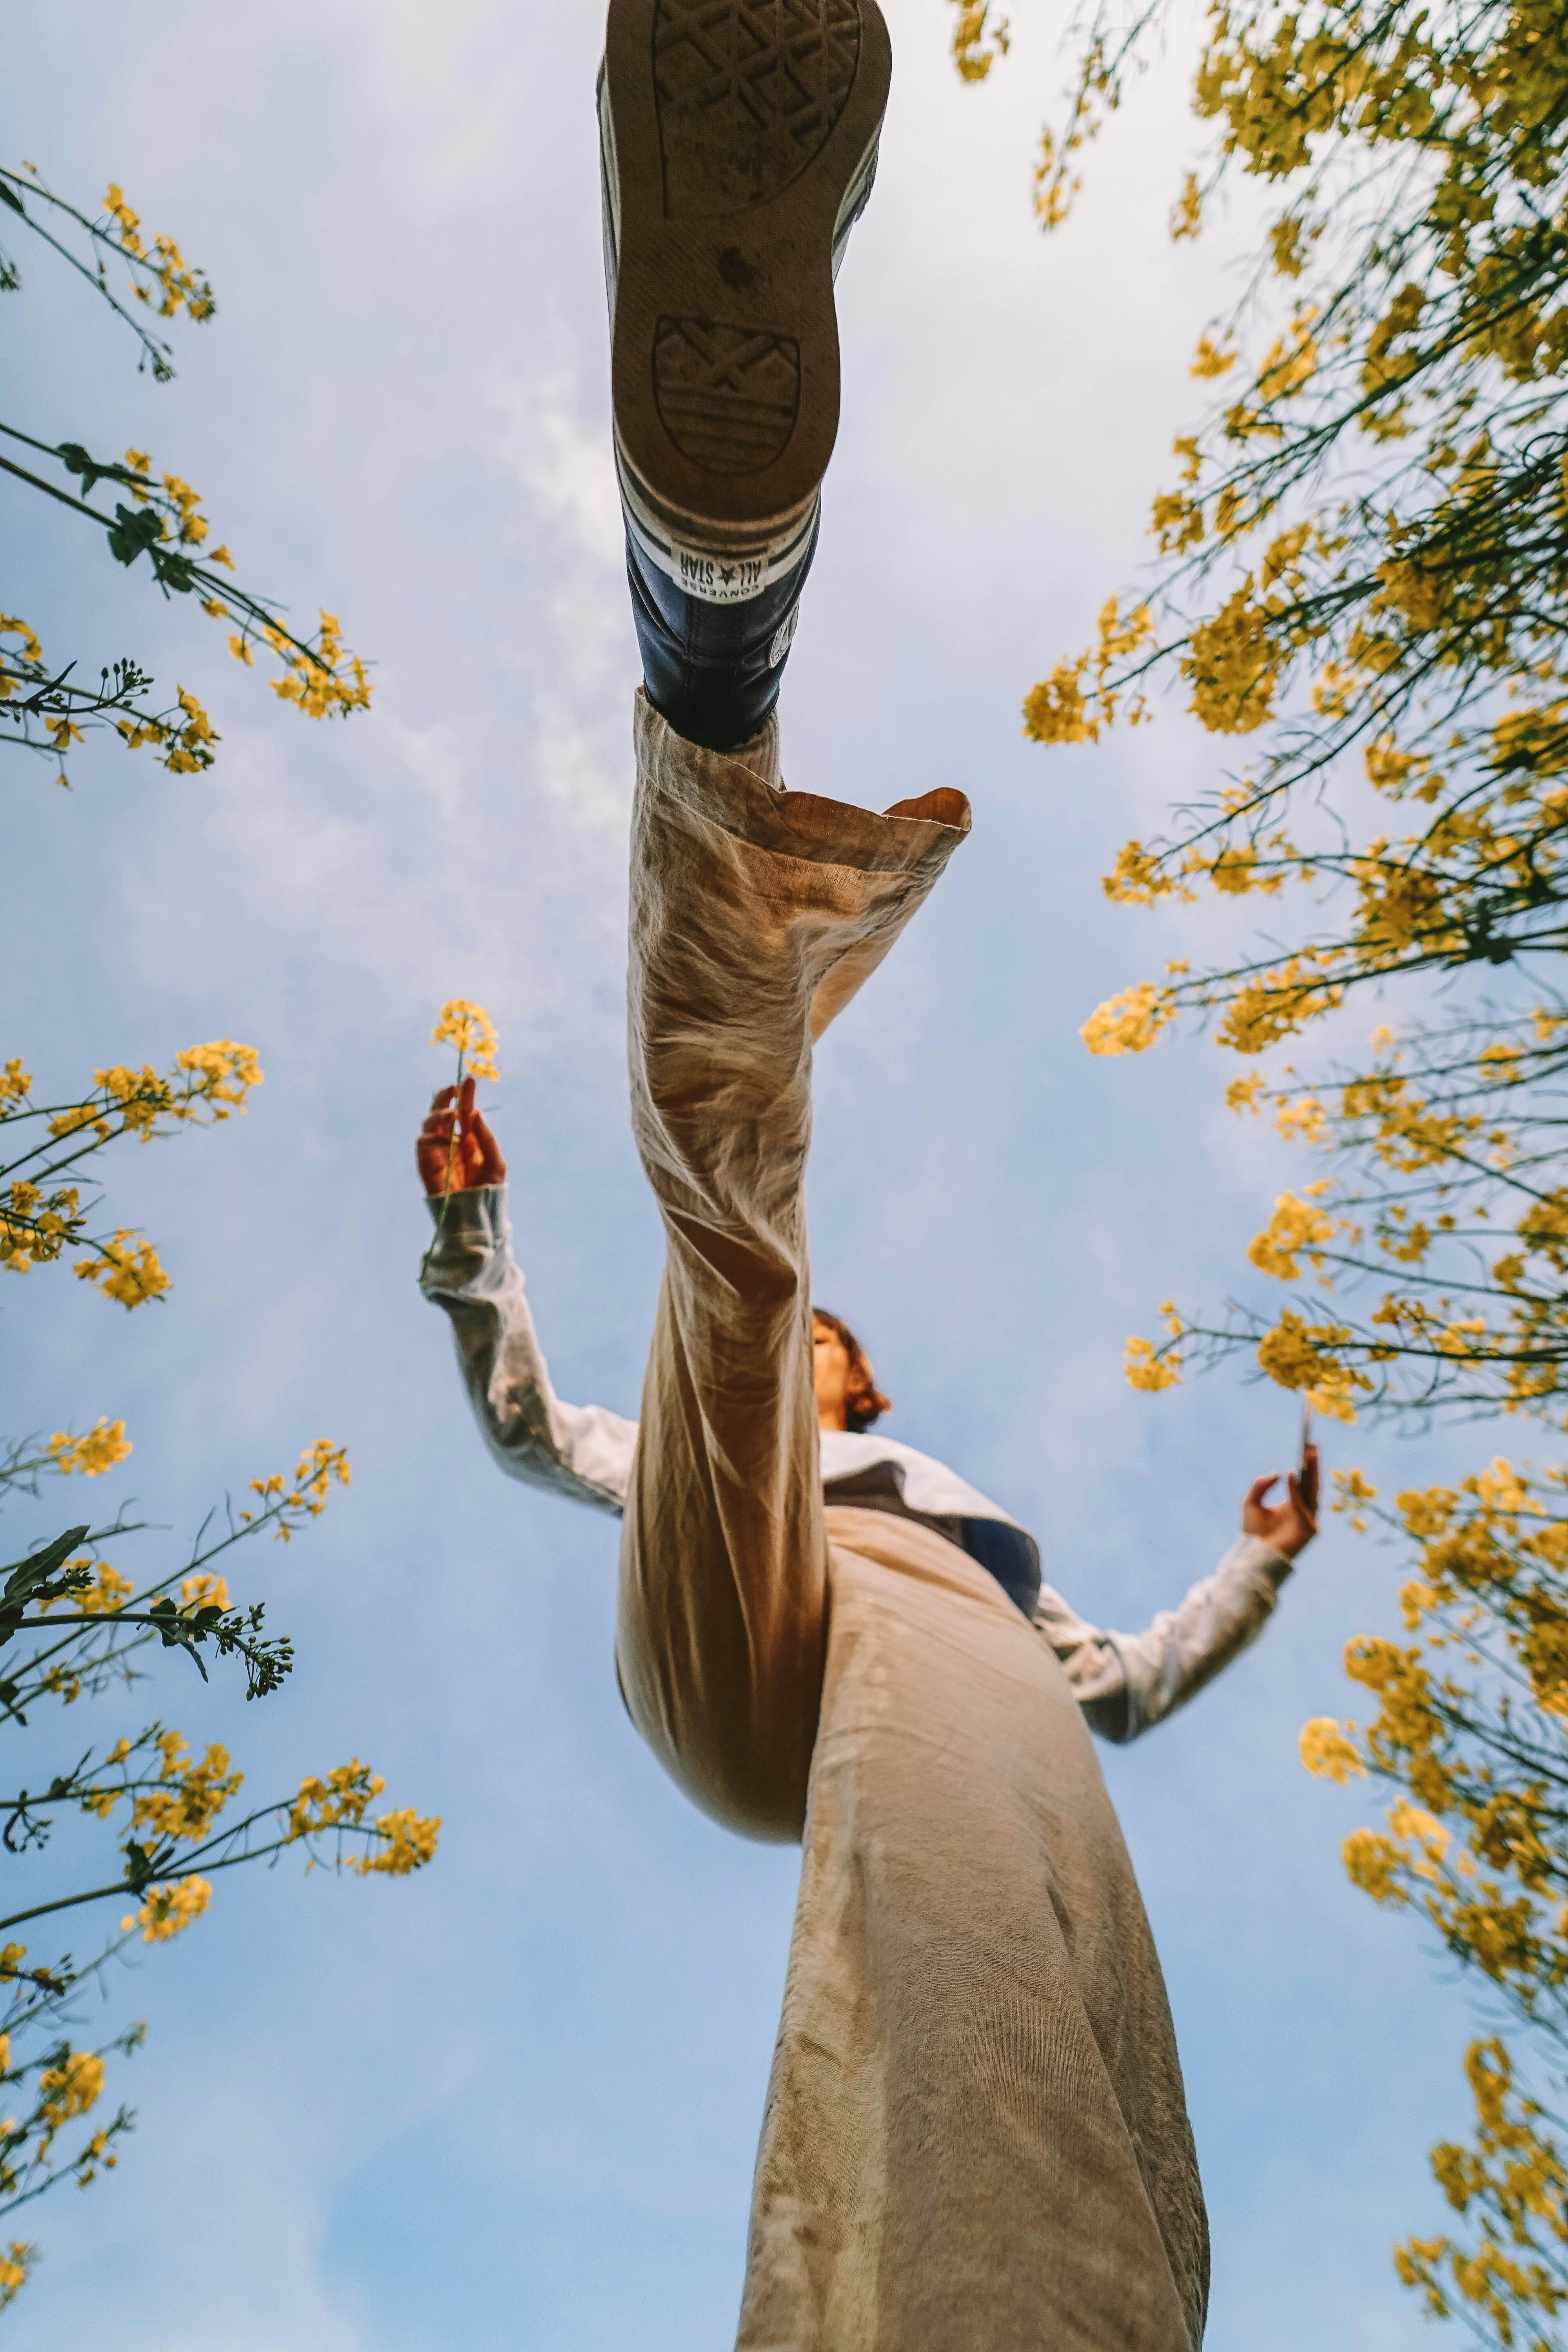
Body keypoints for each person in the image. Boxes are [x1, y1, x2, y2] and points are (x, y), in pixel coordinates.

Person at [418, 4, 1317, 2343]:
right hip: (745, 1604)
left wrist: (1250, 1573)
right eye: (825, 1349)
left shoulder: (991, 1547)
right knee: (729, 1245)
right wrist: (474, 1244)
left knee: (1012, 2053)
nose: (828, 1350)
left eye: (843, 1348)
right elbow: (533, 1428)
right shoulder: (727, 1430)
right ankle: (717, 611)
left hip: (929, 1686)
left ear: (880, 1374)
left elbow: (1132, 1681)